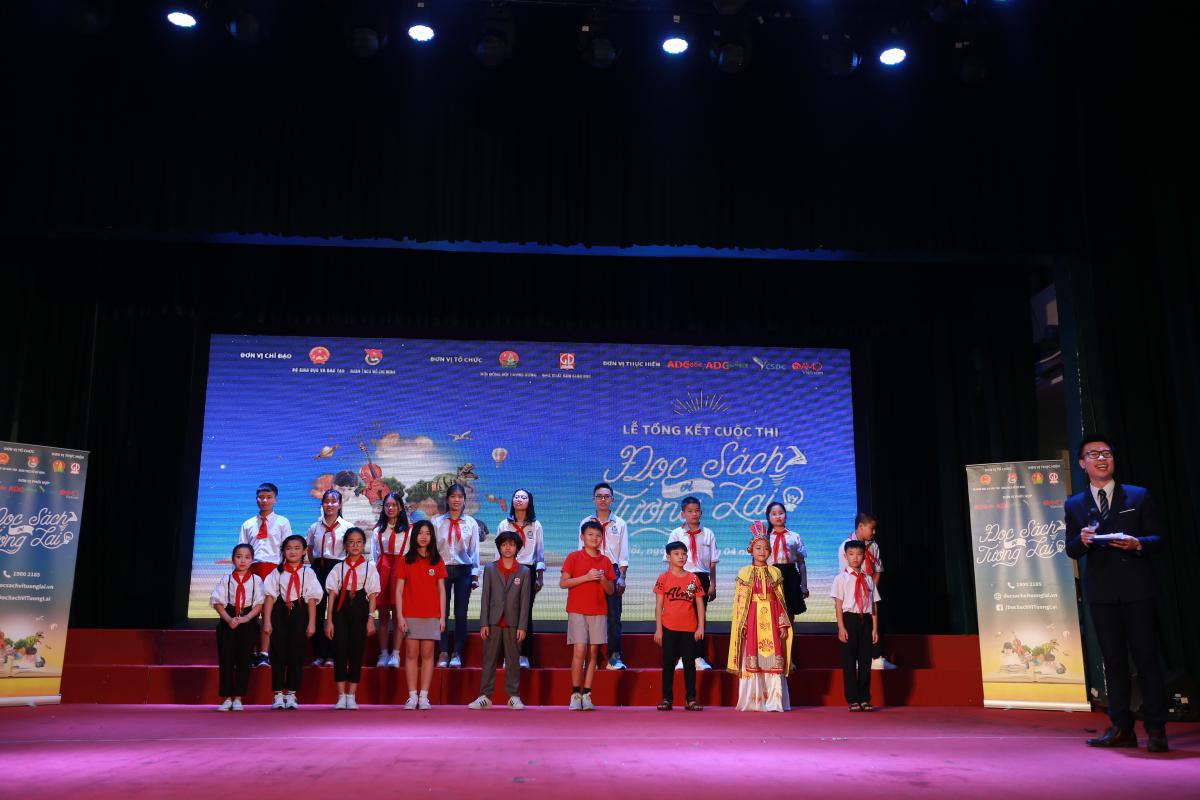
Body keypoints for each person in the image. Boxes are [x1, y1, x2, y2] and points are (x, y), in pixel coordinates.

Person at [1065, 434, 1169, 753]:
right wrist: (1082, 540)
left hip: (1138, 589)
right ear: (1082, 464)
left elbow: (1159, 538)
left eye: (1106, 453)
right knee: (1113, 662)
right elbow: (1071, 550)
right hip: (1102, 593)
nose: (1101, 458)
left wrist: (1138, 543)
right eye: (1093, 454)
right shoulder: (1074, 504)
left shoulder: (1138, 495)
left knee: (1147, 659)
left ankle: (1156, 729)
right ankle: (1121, 727)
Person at [728, 524, 792, 712]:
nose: (762, 551)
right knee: (753, 656)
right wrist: (743, 623)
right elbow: (740, 603)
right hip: (753, 618)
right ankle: (755, 700)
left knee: (773, 658)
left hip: (772, 617)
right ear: (751, 550)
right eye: (758, 548)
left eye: (765, 548)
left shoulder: (775, 572)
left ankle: (774, 701)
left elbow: (780, 601)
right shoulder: (745, 572)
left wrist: (782, 623)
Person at [469, 531, 531, 710]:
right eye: (504, 545)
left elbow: (525, 602)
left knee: (513, 661)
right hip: (493, 622)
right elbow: (485, 598)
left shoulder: (524, 571)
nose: (507, 548)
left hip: (514, 624)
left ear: (517, 548)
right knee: (489, 660)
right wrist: (484, 623)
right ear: (499, 547)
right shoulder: (490, 568)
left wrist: (522, 626)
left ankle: (513, 696)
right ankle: (485, 696)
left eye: (511, 544)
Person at [262, 534, 322, 709]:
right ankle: (278, 694)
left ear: (304, 551)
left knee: (296, 654)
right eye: (288, 548)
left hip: (300, 613)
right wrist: (267, 621)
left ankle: (291, 694)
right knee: (278, 653)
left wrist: (312, 623)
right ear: (283, 551)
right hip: (279, 612)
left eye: (297, 548)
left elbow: (312, 599)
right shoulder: (277, 572)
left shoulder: (308, 573)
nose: (293, 552)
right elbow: (269, 597)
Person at [322, 528, 380, 710]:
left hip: (360, 611)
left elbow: (372, 596)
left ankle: (351, 695)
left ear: (364, 545)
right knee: (339, 651)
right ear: (345, 545)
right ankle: (341, 695)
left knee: (356, 651)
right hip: (340, 611)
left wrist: (370, 619)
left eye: (359, 542)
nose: (355, 545)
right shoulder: (338, 568)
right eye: (351, 542)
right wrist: (329, 620)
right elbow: (332, 595)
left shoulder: (370, 568)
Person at [561, 520, 615, 709]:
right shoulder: (573, 557)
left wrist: (602, 579)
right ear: (582, 537)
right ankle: (575, 693)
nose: (594, 538)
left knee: (593, 652)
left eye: (598, 535)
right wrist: (587, 577)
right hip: (577, 609)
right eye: (590, 535)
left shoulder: (606, 561)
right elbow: (564, 583)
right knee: (579, 650)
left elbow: (611, 590)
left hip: (599, 611)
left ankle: (587, 694)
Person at [238, 482, 291, 667]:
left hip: (274, 571)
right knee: (250, 612)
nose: (264, 500)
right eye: (261, 497)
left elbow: (288, 549)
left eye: (268, 497)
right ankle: (249, 651)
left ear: (275, 499)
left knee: (270, 614)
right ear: (256, 499)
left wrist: (283, 574)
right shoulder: (248, 524)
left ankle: (264, 653)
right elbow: (242, 550)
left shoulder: (283, 522)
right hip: (252, 570)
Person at [396, 520, 447, 710]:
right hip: (410, 614)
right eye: (420, 533)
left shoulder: (437, 561)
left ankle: (424, 696)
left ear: (432, 536)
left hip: (432, 615)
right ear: (414, 536)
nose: (424, 537)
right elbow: (399, 590)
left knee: (427, 654)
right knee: (411, 654)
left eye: (427, 533)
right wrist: (400, 616)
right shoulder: (405, 560)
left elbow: (441, 591)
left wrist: (442, 617)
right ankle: (412, 696)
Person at [664, 496, 718, 671]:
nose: (694, 514)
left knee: (699, 617)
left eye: (697, 511)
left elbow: (712, 562)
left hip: (701, 577)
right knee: (684, 617)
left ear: (701, 512)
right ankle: (682, 657)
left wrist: (713, 584)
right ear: (683, 513)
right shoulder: (676, 534)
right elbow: (670, 560)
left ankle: (698, 657)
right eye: (690, 511)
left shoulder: (708, 533)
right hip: (682, 577)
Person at [580, 482, 629, 670]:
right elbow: (580, 550)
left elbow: (623, 554)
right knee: (588, 616)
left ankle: (614, 657)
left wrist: (622, 576)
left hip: (612, 571)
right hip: (590, 570)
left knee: (614, 617)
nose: (603, 499)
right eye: (599, 496)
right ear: (594, 499)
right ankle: (588, 658)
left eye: (606, 496)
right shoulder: (585, 522)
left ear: (612, 499)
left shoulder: (620, 523)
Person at [211, 543, 265, 711]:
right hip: (228, 621)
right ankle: (227, 697)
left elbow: (259, 603)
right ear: (233, 559)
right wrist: (229, 619)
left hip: (248, 622)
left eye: (247, 557)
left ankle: (238, 698)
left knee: (245, 660)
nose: (243, 560)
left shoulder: (256, 580)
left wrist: (246, 618)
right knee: (226, 660)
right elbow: (217, 602)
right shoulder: (226, 579)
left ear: (252, 560)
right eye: (239, 557)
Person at [494, 489, 544, 668]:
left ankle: (524, 655)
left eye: (523, 497)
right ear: (512, 501)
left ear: (529, 502)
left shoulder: (535, 525)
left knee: (525, 613)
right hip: (507, 569)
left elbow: (539, 552)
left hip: (527, 570)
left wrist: (539, 576)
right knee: (507, 614)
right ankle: (508, 655)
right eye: (516, 497)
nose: (519, 499)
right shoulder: (504, 524)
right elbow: (497, 553)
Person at [654, 541, 706, 711]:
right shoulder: (663, 578)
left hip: (689, 628)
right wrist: (658, 629)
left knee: (689, 664)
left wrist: (700, 627)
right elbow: (659, 605)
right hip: (668, 626)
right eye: (676, 554)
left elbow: (699, 604)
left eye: (684, 554)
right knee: (668, 663)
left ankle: (690, 699)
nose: (681, 557)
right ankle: (667, 699)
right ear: (668, 557)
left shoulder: (693, 578)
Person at [434, 483, 481, 668]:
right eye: (453, 496)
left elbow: (474, 550)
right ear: (447, 499)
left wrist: (475, 575)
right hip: (442, 571)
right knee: (442, 613)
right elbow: (432, 551)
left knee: (461, 613)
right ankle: (443, 651)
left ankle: (457, 653)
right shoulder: (437, 522)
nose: (456, 500)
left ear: (464, 500)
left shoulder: (471, 523)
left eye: (460, 497)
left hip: (463, 571)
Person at [839, 512, 894, 670]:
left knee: (875, 621)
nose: (874, 532)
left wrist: (871, 589)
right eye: (872, 528)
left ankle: (877, 657)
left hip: (869, 590)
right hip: (852, 593)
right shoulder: (846, 546)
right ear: (861, 527)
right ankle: (857, 659)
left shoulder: (873, 546)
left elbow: (878, 569)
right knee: (855, 626)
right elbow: (845, 574)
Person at [306, 489, 352, 667]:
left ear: (340, 504)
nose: (330, 505)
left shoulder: (347, 527)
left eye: (334, 501)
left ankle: (333, 655)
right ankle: (319, 654)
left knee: (337, 613)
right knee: (317, 612)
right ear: (322, 504)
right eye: (326, 501)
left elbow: (351, 551)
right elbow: (310, 550)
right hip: (319, 568)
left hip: (338, 569)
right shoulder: (314, 527)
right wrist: (316, 567)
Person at [832, 539, 880, 712]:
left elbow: (874, 605)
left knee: (865, 662)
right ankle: (853, 700)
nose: (855, 558)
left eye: (859, 554)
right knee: (849, 662)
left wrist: (875, 629)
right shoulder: (841, 578)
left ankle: (865, 698)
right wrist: (841, 627)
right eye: (851, 554)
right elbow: (838, 605)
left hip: (865, 621)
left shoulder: (868, 579)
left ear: (864, 557)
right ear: (846, 556)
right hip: (849, 620)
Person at [373, 492, 410, 668]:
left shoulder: (409, 530)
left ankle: (396, 653)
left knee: (398, 614)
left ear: (400, 507)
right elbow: (374, 557)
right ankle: (383, 653)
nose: (390, 508)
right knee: (383, 615)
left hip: (400, 573)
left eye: (394, 505)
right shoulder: (378, 530)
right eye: (387, 505)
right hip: (383, 573)